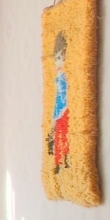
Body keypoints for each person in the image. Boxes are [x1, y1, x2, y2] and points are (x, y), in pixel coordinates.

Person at [47, 31, 70, 174]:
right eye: (56, 58)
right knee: (58, 136)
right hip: (58, 109)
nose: (59, 62)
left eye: (61, 57)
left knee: (64, 135)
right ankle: (58, 162)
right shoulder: (57, 77)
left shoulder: (65, 76)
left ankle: (65, 159)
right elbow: (56, 96)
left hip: (64, 108)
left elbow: (64, 93)